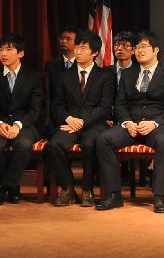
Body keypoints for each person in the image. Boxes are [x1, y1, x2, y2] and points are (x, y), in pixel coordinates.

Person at [95, 31, 164, 213]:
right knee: (103, 140)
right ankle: (113, 194)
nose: (139, 51)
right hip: (131, 125)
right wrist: (126, 122)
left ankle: (159, 197)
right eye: (137, 47)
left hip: (157, 126)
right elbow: (119, 104)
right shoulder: (128, 73)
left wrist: (155, 123)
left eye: (144, 47)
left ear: (156, 50)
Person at [47, 30, 114, 207]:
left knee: (90, 144)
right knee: (54, 145)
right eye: (77, 46)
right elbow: (57, 105)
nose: (77, 51)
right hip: (70, 123)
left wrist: (83, 121)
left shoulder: (105, 75)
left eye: (83, 48)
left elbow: (105, 106)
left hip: (94, 124)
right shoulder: (64, 76)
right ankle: (68, 188)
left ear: (94, 52)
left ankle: (87, 190)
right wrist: (69, 119)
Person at [0, 33, 44, 206]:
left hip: (25, 124)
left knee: (23, 145)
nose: (3, 53)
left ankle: (1, 188)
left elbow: (35, 109)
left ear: (21, 53)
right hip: (0, 124)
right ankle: (13, 187)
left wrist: (18, 125)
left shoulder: (34, 77)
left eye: (9, 49)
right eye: (1, 49)